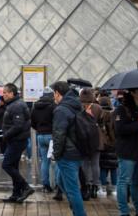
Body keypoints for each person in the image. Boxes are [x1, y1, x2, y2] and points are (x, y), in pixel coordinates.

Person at [51, 81, 85, 216]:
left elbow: (59, 134)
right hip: (77, 150)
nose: (54, 96)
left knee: (73, 189)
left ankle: (79, 212)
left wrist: (56, 154)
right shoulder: (76, 105)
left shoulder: (61, 109)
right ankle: (75, 206)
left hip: (67, 153)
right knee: (60, 181)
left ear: (58, 93)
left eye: (54, 93)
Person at [114, 88, 138, 216]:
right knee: (124, 181)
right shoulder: (121, 110)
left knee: (136, 182)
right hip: (126, 151)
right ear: (134, 93)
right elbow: (120, 129)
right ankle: (124, 212)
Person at [0, 83, 34, 203]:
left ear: (11, 93)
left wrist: (6, 135)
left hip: (16, 140)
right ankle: (16, 193)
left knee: (6, 165)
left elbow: (18, 125)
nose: (3, 95)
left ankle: (26, 187)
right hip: (16, 140)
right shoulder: (14, 104)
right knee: (13, 166)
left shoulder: (16, 106)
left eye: (5, 92)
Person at [31, 86, 55, 193]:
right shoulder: (53, 106)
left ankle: (45, 185)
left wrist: (39, 129)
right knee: (55, 161)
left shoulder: (36, 106)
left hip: (40, 135)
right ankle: (57, 185)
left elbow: (32, 122)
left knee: (45, 161)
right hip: (52, 136)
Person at [79, 89, 101, 200]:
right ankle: (95, 187)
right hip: (96, 140)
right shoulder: (97, 108)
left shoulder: (79, 108)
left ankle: (86, 185)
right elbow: (102, 123)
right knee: (95, 164)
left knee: (84, 164)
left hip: (83, 140)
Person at [97, 96, 117, 196]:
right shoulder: (114, 114)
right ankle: (114, 189)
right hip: (113, 144)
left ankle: (103, 189)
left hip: (103, 144)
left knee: (103, 168)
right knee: (114, 167)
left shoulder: (100, 114)